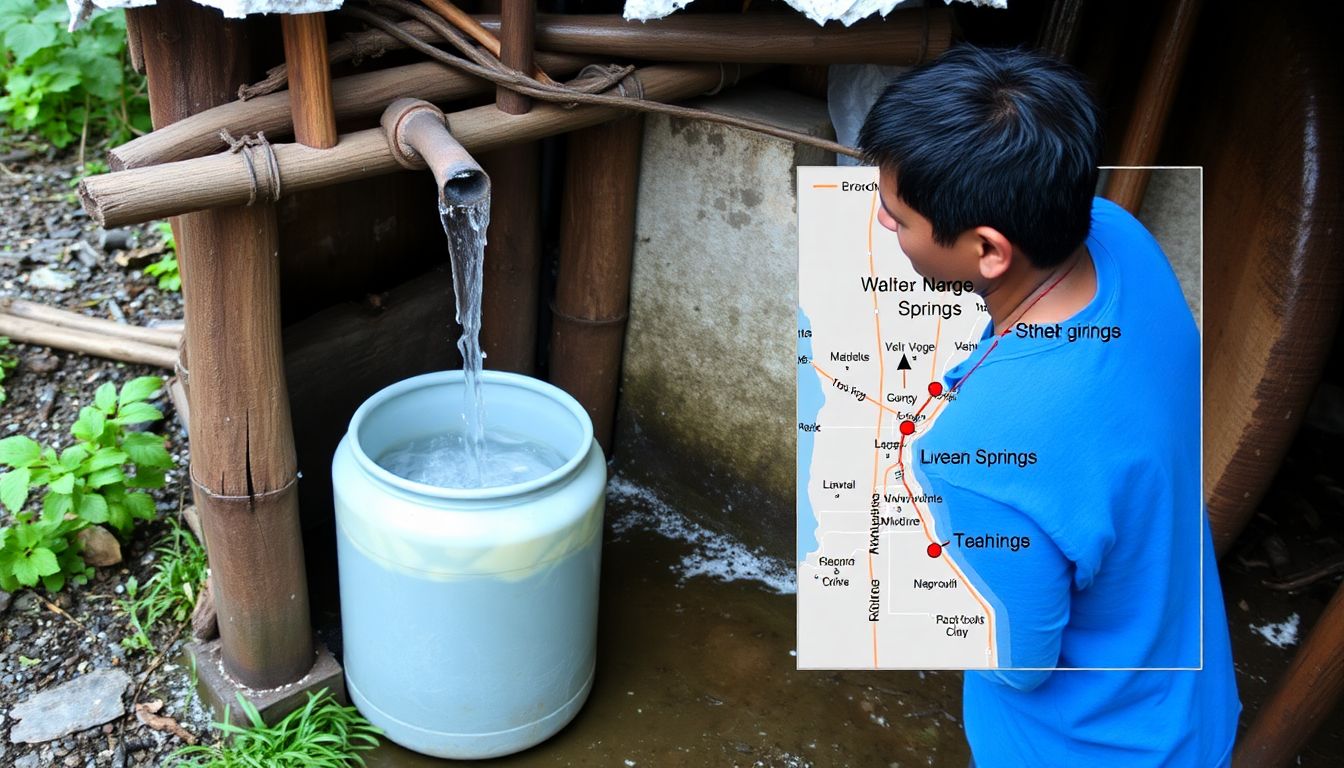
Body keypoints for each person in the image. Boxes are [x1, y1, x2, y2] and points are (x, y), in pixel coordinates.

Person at [856, 45, 1240, 766]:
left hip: (1086, 747)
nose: (883, 225)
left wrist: (941, 559)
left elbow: (1020, 661)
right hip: (1191, 708)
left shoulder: (975, 458)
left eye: (896, 215)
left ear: (990, 250)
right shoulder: (1122, 239)